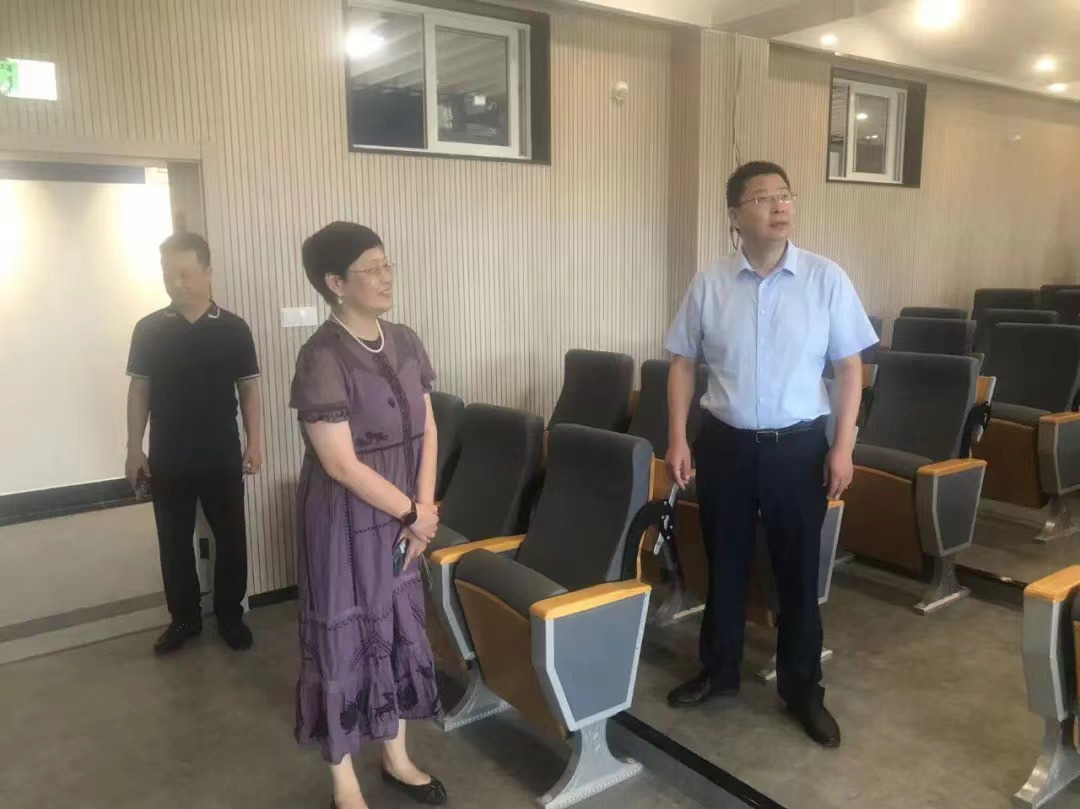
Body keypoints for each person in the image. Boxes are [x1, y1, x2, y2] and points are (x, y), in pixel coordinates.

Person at [664, 161, 877, 748]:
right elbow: (683, 362)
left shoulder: (826, 279)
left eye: (785, 195)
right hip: (725, 445)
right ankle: (719, 672)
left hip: (798, 449)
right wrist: (678, 436)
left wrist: (843, 445)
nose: (779, 206)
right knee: (724, 564)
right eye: (763, 198)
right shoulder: (710, 283)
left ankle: (803, 691)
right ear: (736, 216)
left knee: (798, 573)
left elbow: (850, 368)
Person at [290, 222, 446, 809]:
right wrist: (411, 512)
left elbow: (429, 426)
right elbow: (339, 463)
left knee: (397, 629)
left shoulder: (404, 340)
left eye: (387, 264)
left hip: (404, 515)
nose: (386, 277)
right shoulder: (321, 356)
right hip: (344, 522)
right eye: (371, 269)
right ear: (335, 283)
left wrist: (424, 508)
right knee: (347, 639)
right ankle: (344, 782)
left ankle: (396, 757)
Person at [125, 232, 263, 655]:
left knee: (231, 538)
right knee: (173, 540)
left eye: (186, 274)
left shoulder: (234, 328)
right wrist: (134, 448)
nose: (177, 283)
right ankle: (184, 618)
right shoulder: (148, 329)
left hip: (221, 450)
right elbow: (139, 390)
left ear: (208, 272)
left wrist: (255, 442)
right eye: (169, 274)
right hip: (168, 453)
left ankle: (230, 615)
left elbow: (249, 389)